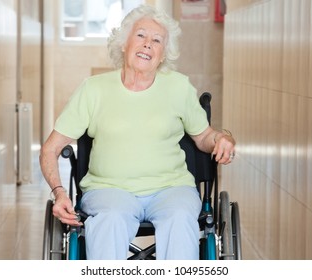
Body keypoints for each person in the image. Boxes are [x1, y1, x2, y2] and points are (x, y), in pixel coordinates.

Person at [39, 4, 236, 260]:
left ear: (163, 54)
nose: (147, 45)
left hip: (171, 188)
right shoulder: (93, 90)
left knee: (179, 216)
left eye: (157, 40)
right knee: (110, 218)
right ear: (123, 43)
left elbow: (204, 137)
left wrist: (222, 138)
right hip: (109, 190)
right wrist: (59, 192)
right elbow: (50, 149)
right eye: (140, 35)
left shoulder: (178, 87)